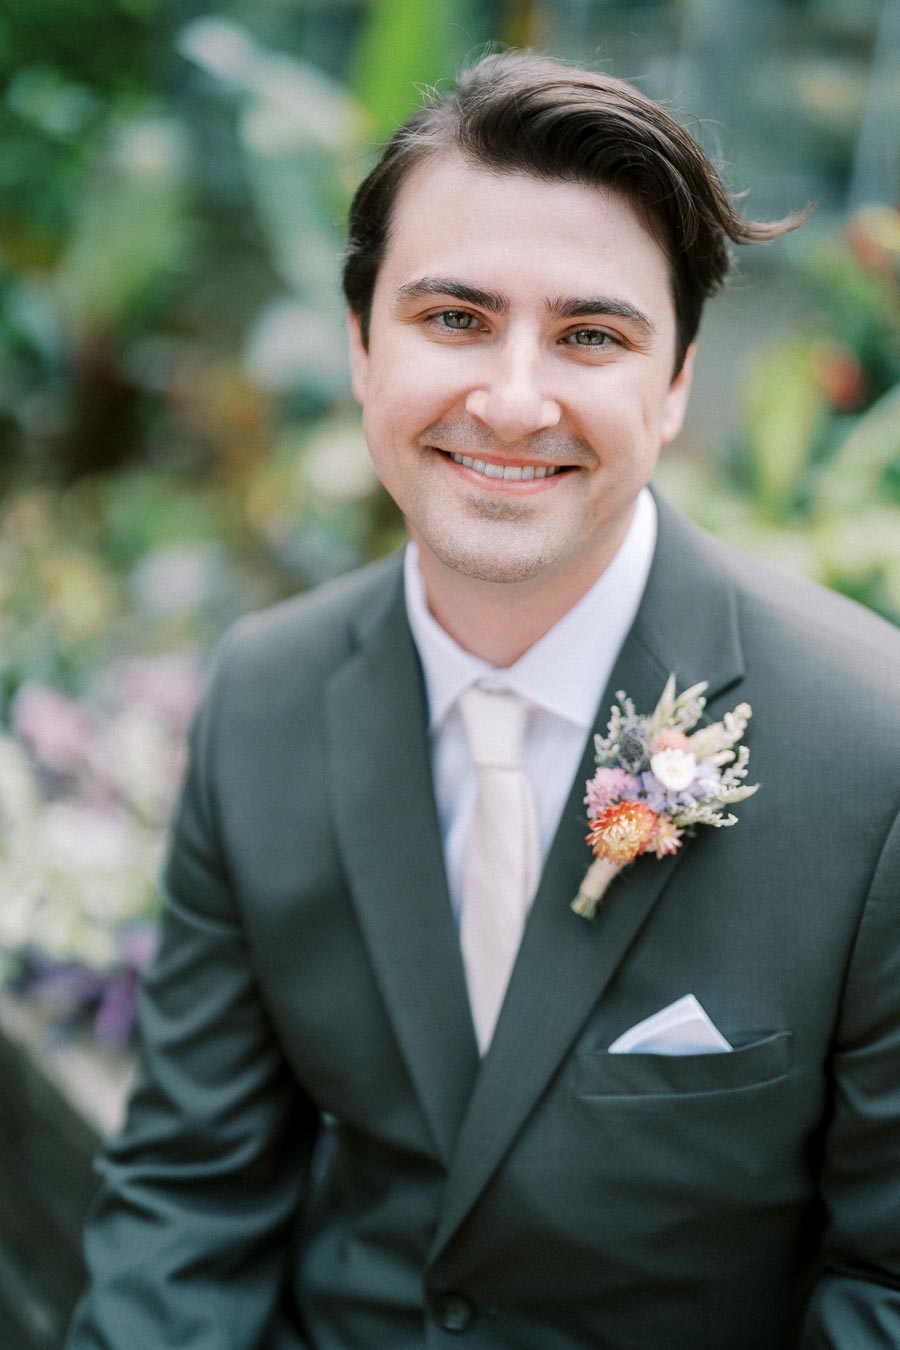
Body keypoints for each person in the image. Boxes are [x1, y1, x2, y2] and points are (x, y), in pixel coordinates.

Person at [66, 52, 900, 1350]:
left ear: (676, 382)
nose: (513, 400)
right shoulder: (264, 697)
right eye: (453, 317)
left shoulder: (872, 749)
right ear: (358, 348)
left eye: (590, 334)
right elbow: (191, 1193)